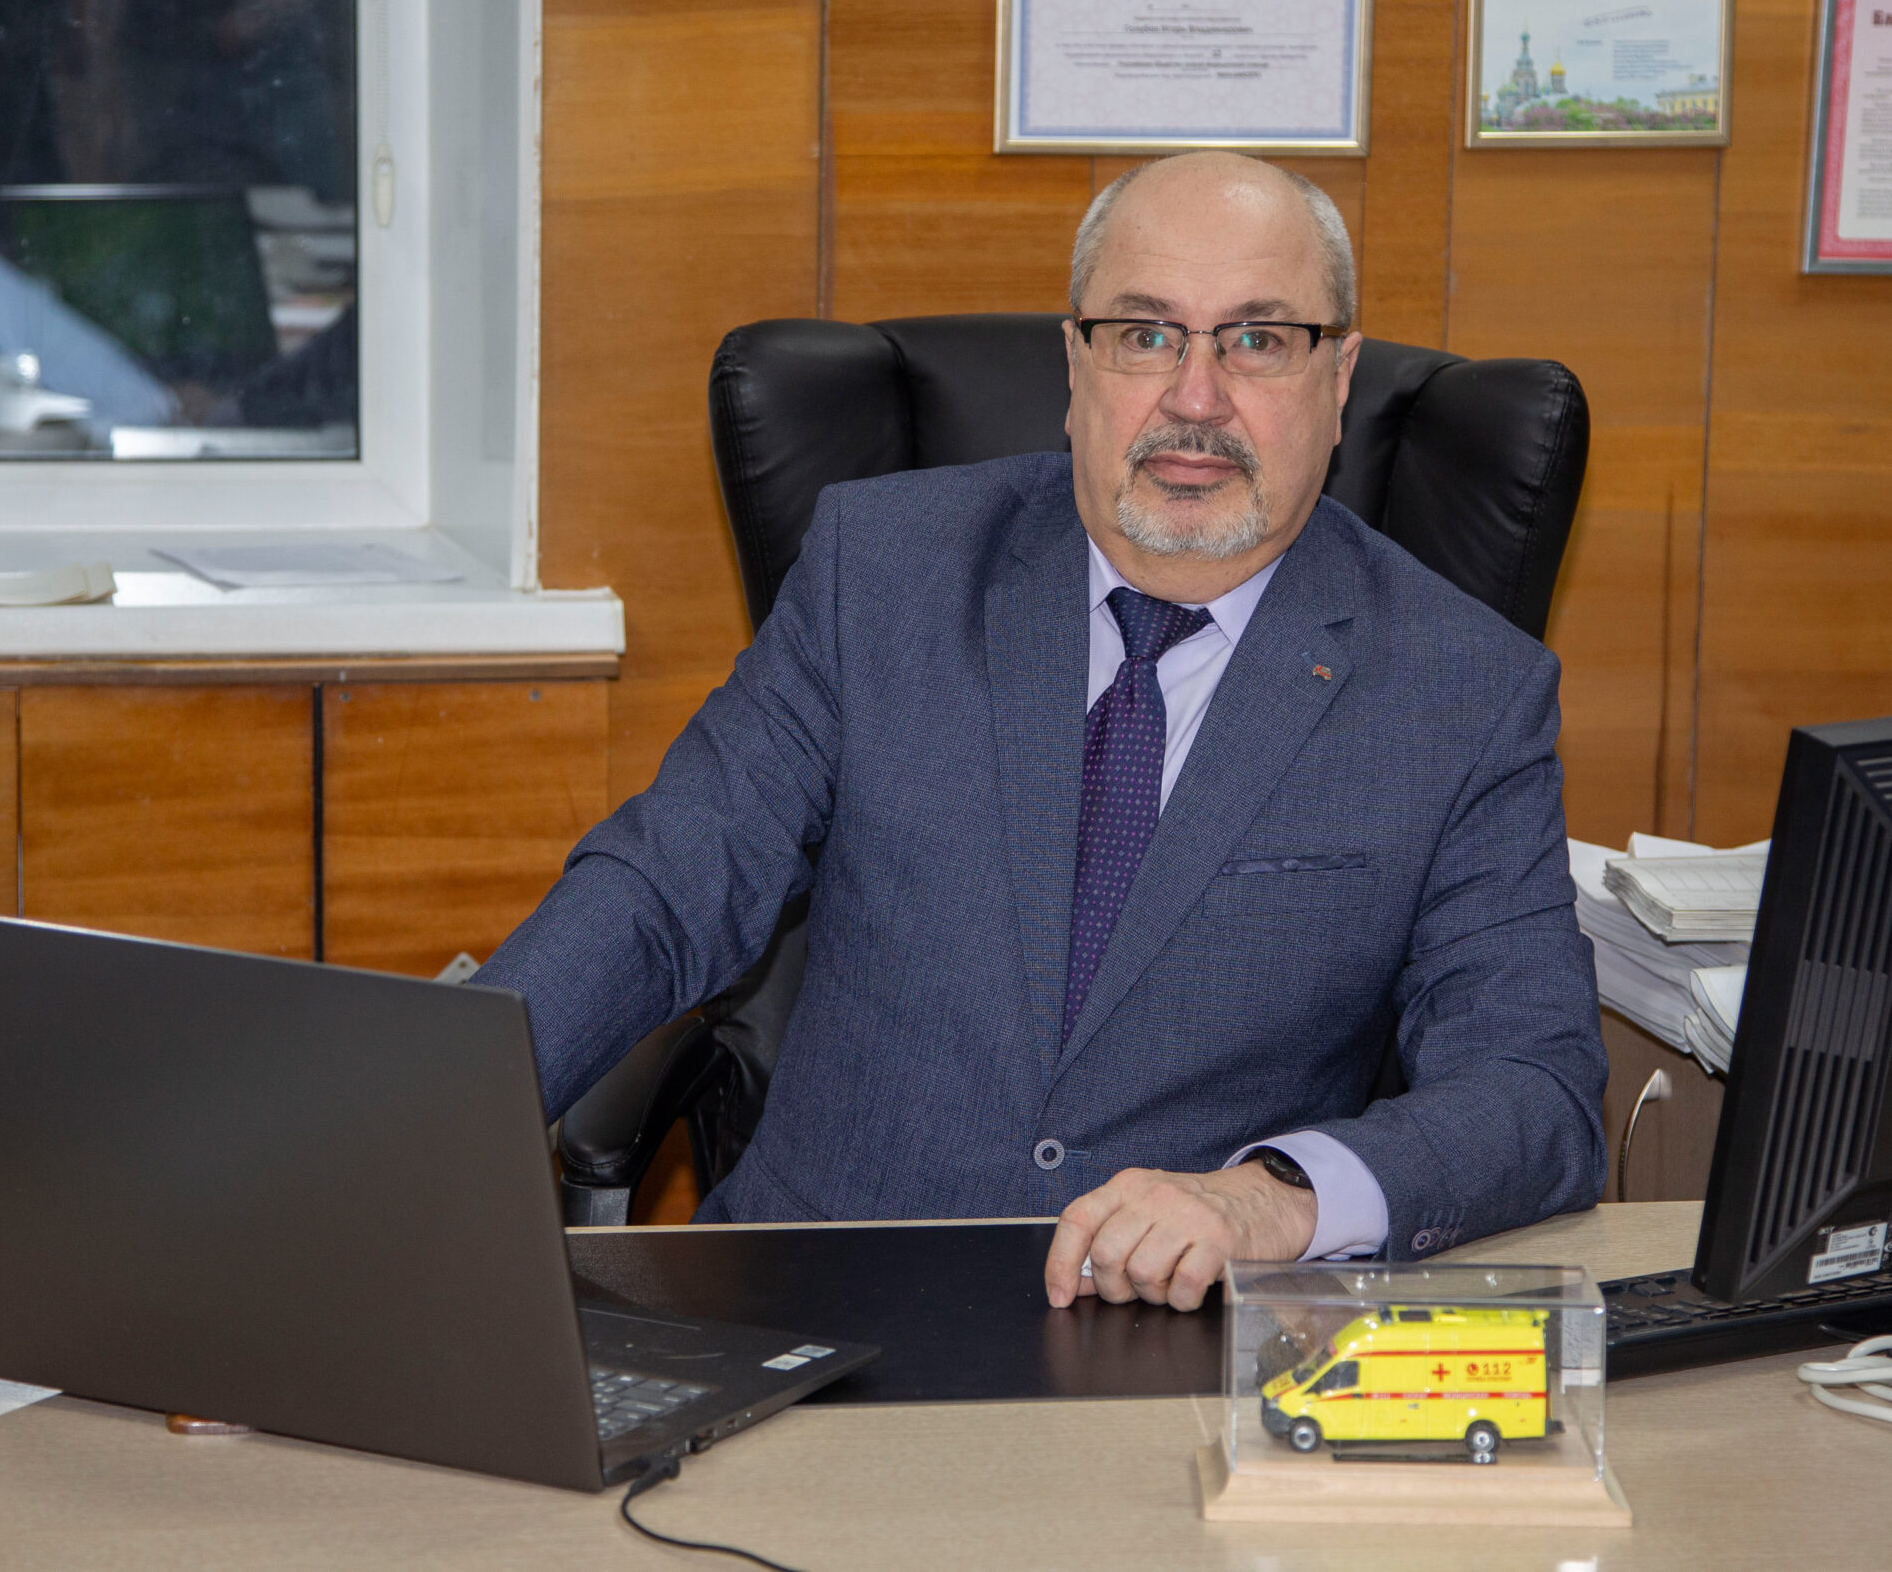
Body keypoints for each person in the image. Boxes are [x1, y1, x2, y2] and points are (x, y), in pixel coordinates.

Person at [476, 151, 1606, 1313]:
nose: (1197, 398)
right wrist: (436, 1111)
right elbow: (665, 891)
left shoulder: (1461, 690)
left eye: (1258, 340)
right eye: (1144, 335)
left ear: (1339, 381)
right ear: (1075, 367)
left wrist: (1274, 1200)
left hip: (1168, 1340)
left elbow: (1534, 1085)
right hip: (809, 1298)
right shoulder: (884, 570)